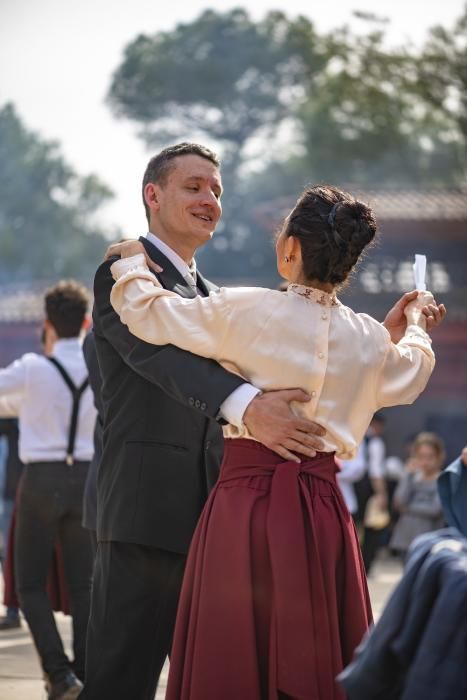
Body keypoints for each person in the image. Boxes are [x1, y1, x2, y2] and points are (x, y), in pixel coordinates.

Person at [109, 182, 440, 699]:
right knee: (321, 642)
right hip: (325, 508)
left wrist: (131, 261)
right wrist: (413, 324)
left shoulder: (246, 310)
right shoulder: (369, 339)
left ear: (290, 249)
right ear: (347, 266)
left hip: (246, 503)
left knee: (234, 648)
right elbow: (411, 369)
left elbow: (150, 314)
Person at [81, 143, 329, 700]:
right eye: (194, 187)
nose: (210, 200)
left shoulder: (217, 298)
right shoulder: (121, 276)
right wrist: (245, 405)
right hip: (142, 516)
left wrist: (377, 342)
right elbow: (162, 361)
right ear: (154, 195)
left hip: (217, 519)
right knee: (121, 681)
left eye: (216, 190)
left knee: (215, 683)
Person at [0, 281, 96, 700]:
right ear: (88, 322)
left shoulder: (31, 369)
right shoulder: (100, 369)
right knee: (84, 584)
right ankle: (84, 670)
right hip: (88, 479)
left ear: (48, 326)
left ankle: (59, 675)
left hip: (40, 482)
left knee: (29, 584)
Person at [390, 432, 446, 558]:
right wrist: (407, 475)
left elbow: (434, 509)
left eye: (430, 457)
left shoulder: (442, 480)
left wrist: (408, 508)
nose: (425, 461)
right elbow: (399, 501)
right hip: (406, 537)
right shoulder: (412, 477)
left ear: (439, 457)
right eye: (421, 456)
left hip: (429, 540)